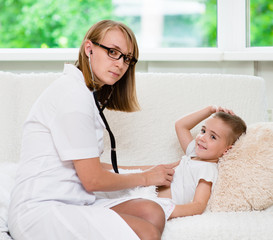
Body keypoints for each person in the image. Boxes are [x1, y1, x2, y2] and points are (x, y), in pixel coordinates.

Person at [8, 20, 178, 240]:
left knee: (152, 211)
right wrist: (146, 177)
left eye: (127, 58)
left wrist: (152, 169)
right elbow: (93, 180)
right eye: (113, 52)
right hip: (41, 211)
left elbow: (88, 164)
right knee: (145, 231)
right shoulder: (72, 97)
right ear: (89, 49)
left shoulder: (82, 93)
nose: (120, 64)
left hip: (71, 201)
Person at [157, 105, 247, 219]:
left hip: (159, 205)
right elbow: (180, 125)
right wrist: (209, 110)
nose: (202, 138)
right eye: (203, 130)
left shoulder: (208, 169)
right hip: (146, 192)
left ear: (227, 150)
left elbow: (199, 205)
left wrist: (165, 211)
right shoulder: (193, 152)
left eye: (213, 137)